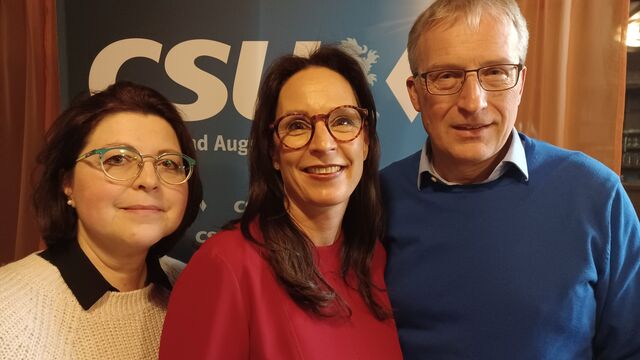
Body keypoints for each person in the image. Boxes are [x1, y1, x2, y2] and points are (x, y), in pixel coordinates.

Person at [381, 0, 640, 359]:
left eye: (496, 72)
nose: (473, 102)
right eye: (446, 76)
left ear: (520, 83)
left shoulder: (596, 196)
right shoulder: (376, 201)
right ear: (414, 93)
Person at [159, 45, 403, 359]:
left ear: (366, 141)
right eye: (297, 126)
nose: (324, 144)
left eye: (343, 121)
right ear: (273, 152)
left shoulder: (375, 260)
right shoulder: (226, 266)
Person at [0, 81, 203, 359]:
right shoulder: (8, 309)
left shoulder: (194, 288)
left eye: (168, 163)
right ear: (67, 182)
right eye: (118, 159)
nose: (149, 180)